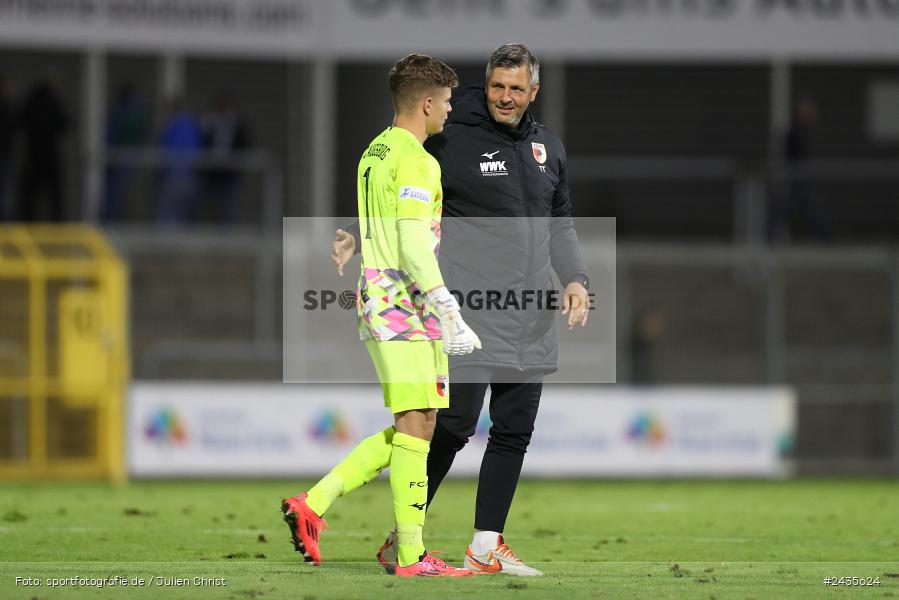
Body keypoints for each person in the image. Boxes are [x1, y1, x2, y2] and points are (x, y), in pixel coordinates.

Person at [333, 43, 590, 577]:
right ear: (486, 84)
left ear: (533, 91)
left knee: (514, 430)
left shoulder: (549, 148)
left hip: (529, 312)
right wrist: (357, 235)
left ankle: (486, 544)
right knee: (451, 426)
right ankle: (405, 536)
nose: (505, 97)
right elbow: (401, 196)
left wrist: (575, 279)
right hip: (467, 309)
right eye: (497, 86)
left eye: (516, 88)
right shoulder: (452, 137)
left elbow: (560, 222)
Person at [282, 54, 481, 577]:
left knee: (420, 423)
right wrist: (445, 303)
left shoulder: (376, 150)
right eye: (447, 101)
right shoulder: (418, 160)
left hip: (383, 297)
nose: (451, 109)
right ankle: (412, 556)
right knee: (417, 422)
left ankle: (314, 504)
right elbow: (413, 242)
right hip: (403, 303)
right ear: (427, 103)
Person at [16, 79, 69, 222]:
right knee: (53, 193)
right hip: (49, 155)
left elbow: (19, 123)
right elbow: (65, 125)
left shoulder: (31, 103)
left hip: (34, 155)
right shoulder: (54, 104)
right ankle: (56, 220)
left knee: (32, 194)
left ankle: (28, 218)